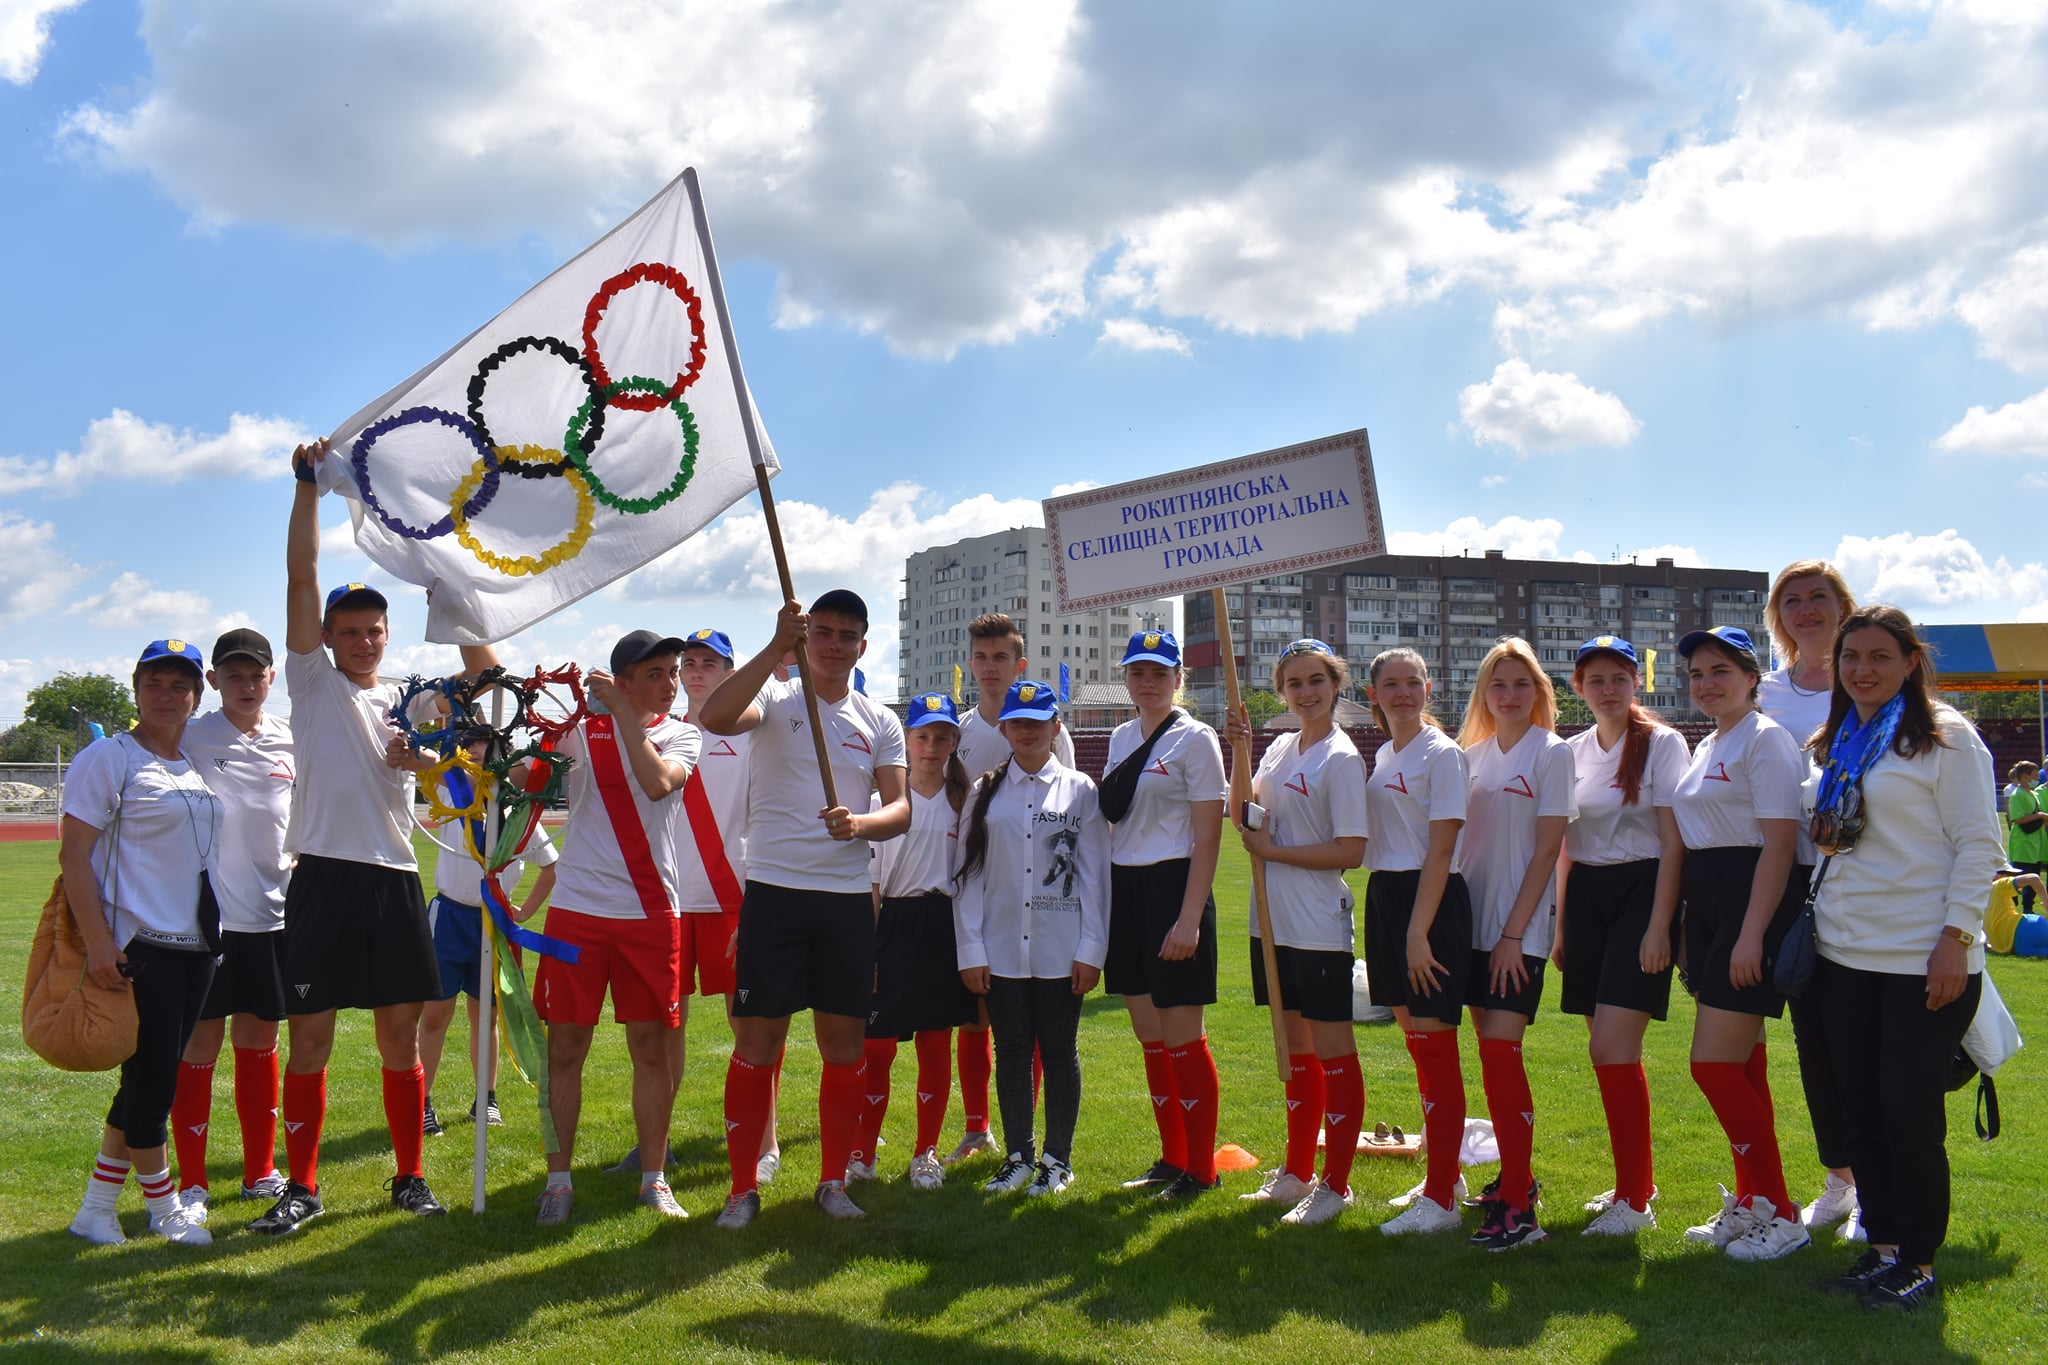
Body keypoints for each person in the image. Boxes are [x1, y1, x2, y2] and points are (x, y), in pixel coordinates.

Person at [251, 436, 483, 1235]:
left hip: (392, 880)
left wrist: (423, 756)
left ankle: (409, 1177)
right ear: (327, 637)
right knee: (310, 1039)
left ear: (388, 634)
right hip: (321, 876)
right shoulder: (312, 681)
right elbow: (301, 577)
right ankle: (303, 1187)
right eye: (348, 630)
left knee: (399, 1038)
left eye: (373, 630)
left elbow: (464, 729)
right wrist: (307, 488)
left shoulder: (410, 704)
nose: (362, 640)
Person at [1802, 607, 2003, 1310]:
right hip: (1842, 954)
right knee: (1860, 1110)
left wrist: (1957, 939)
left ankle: (1917, 1259)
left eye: (1880, 656)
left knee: (1909, 1115)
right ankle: (1881, 1247)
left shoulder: (1946, 737)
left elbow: (1979, 845)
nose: (1862, 670)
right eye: (1850, 656)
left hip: (1923, 957)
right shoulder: (1836, 739)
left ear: (1911, 662)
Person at [697, 590, 910, 1228]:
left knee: (843, 1046)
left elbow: (901, 811)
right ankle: (742, 1188)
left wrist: (861, 824)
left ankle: (832, 1182)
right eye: (822, 632)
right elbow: (715, 716)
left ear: (863, 646)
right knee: (757, 1041)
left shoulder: (879, 719)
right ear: (805, 637)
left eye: (846, 635)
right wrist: (774, 647)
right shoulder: (774, 697)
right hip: (774, 894)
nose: (833, 644)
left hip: (845, 900)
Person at [528, 631, 700, 1226]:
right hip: (577, 911)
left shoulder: (682, 734)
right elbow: (519, 776)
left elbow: (656, 783)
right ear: (622, 682)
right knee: (565, 1049)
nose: (671, 683)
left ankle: (654, 1178)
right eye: (656, 674)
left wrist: (623, 713)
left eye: (673, 671)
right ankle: (557, 1182)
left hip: (650, 913)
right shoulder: (579, 731)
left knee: (650, 1049)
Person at [608, 627, 781, 1184]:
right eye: (691, 663)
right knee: (665, 1029)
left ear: (731, 673)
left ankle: (766, 1142)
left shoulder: (751, 733)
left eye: (711, 663)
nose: (698, 671)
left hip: (734, 900)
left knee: (750, 1028)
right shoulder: (660, 732)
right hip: (673, 902)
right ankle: (653, 1146)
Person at [64, 639, 222, 1247]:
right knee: (155, 1083)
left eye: (180, 685)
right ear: (135, 690)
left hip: (196, 945)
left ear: (196, 697)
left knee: (144, 1082)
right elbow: (74, 857)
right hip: (141, 946)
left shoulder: (192, 762)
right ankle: (164, 1209)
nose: (167, 695)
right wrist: (100, 943)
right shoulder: (111, 757)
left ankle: (96, 1209)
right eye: (155, 683)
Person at [1671, 625, 1810, 1262]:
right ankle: (1755, 1201)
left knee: (1713, 1066)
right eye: (1697, 674)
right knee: (1745, 1066)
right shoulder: (1709, 743)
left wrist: (1751, 934)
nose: (1707, 683)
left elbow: (1779, 845)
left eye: (1721, 671)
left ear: (1753, 678)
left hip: (1751, 905)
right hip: (1711, 907)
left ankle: (1782, 1212)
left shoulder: (1766, 738)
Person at [1225, 640, 1369, 1226]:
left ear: (1335, 685)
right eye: (1294, 683)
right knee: (1295, 1049)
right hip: (1270, 921)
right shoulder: (1281, 747)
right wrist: (1239, 750)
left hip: (1317, 924)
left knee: (1332, 1050)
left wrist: (1275, 853)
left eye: (1316, 681)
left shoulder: (1342, 757)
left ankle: (1336, 1185)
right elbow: (1243, 813)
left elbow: (1351, 850)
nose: (1306, 693)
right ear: (1281, 691)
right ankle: (1297, 1171)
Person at [954, 680, 1109, 1197]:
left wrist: (1091, 949)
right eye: (1017, 722)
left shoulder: (1080, 791)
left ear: (1055, 727)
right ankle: (1018, 1156)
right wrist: (971, 949)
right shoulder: (984, 791)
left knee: (1060, 1051)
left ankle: (1057, 1161)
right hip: (1000, 948)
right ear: (1004, 729)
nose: (1026, 731)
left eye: (1036, 722)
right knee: (1013, 1052)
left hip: (1060, 947)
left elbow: (1094, 876)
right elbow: (968, 876)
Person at [1556, 636, 1688, 1235]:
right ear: (1578, 687)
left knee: (1612, 1047)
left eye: (1618, 678)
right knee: (1606, 1049)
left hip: (1642, 893)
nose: (1608, 689)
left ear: (1636, 682)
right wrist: (1561, 923)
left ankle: (1635, 1203)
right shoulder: (1572, 751)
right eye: (1596, 679)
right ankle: (1633, 1183)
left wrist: (1661, 925)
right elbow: (1566, 844)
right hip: (1587, 896)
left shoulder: (1662, 743)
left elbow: (1673, 842)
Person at [942, 612, 1077, 1165]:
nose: (990, 667)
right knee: (976, 1017)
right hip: (977, 891)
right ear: (970, 664)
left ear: (1019, 664)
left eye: (1001, 657)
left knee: (1034, 1026)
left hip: (1037, 902)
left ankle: (1027, 1130)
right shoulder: (960, 732)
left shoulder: (1053, 732)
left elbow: (1068, 817)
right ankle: (978, 1127)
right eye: (981, 657)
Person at [170, 629, 294, 1221]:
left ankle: (259, 1171)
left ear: (272, 678)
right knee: (200, 1043)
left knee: (260, 1041)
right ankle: (192, 1181)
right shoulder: (191, 737)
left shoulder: (292, 739)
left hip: (272, 918)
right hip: (205, 919)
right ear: (214, 681)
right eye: (234, 676)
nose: (246, 686)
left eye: (256, 675)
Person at [1455, 638, 1574, 1251]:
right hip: (1467, 927)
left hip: (1516, 933)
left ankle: (1521, 1210)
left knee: (1503, 1054)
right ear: (1484, 693)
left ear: (1539, 692)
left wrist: (1511, 935)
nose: (1509, 695)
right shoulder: (1469, 757)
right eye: (1498, 685)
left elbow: (1548, 850)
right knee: (1489, 1056)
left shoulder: (1551, 753)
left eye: (1521, 684)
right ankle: (1514, 1179)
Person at [1759, 559, 1864, 1241]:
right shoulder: (1765, 691)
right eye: (1791, 599)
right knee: (1815, 1039)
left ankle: (1879, 1185)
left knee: (1863, 1035)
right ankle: (1840, 1179)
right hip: (1793, 880)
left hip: (1865, 878)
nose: (1806, 609)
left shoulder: (1870, 679)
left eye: (1818, 596)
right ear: (1778, 615)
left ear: (1842, 605)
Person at [1101, 630, 1227, 1201]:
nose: (1148, 682)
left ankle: (1201, 1169)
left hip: (1174, 888)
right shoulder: (1121, 735)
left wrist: (1189, 918)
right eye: (1138, 672)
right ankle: (1172, 1158)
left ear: (1179, 679)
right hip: (1126, 889)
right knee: (1149, 1034)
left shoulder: (1196, 739)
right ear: (1126, 678)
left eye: (1159, 672)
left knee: (1182, 1035)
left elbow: (1208, 838)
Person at [1361, 648, 1475, 1238]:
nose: (1402, 693)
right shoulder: (1384, 754)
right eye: (1391, 684)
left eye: (1413, 683)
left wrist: (1416, 932)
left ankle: (1441, 1200)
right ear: (1374, 694)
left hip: (1428, 904)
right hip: (1385, 893)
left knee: (1436, 1049)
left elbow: (1441, 849)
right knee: (1417, 1045)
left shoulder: (1443, 753)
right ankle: (1445, 1176)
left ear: (1427, 690)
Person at [851, 693, 975, 1190]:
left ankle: (926, 1153)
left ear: (954, 742)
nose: (931, 746)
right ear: (906, 740)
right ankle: (862, 1153)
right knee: (877, 1048)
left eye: (941, 737)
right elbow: (872, 886)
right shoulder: (883, 805)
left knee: (935, 1044)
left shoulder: (965, 803)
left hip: (943, 926)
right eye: (922, 736)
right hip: (893, 925)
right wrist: (868, 951)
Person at [418, 731, 558, 1135]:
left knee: (487, 1016)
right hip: (450, 917)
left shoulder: (518, 811)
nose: (476, 753)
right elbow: (423, 760)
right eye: (469, 747)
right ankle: (422, 1101)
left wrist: (524, 911)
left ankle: (487, 1099)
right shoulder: (455, 791)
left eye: (485, 746)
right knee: (436, 1013)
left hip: (493, 924)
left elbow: (551, 866)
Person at [2004, 762, 2045, 914]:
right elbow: (2018, 818)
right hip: (2023, 843)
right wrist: (2040, 815)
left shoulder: (2033, 794)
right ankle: (2010, 909)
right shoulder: (2017, 794)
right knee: (2020, 878)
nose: (2038, 778)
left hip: (2035, 843)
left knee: (2034, 877)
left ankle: (2028, 909)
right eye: (2035, 775)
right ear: (2025, 776)